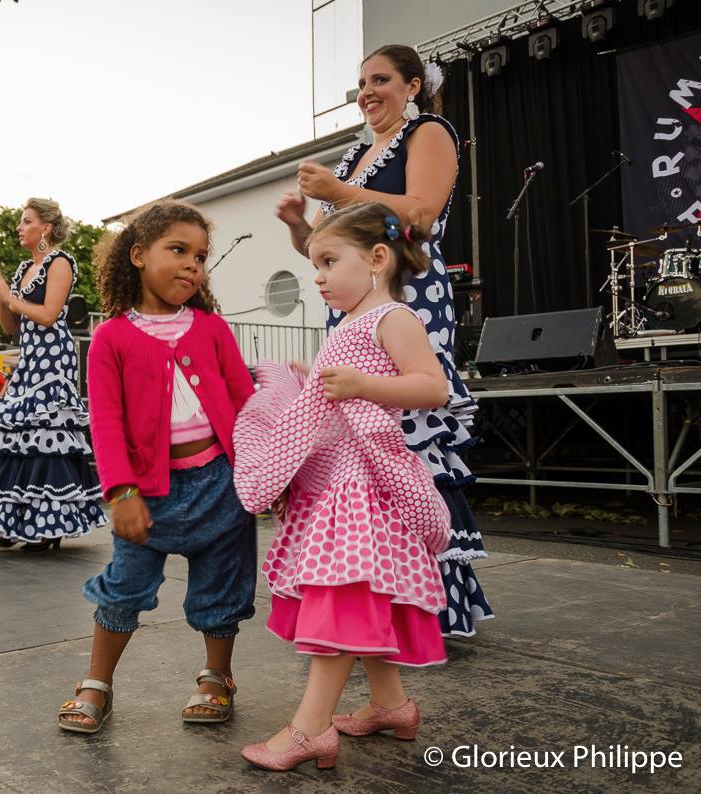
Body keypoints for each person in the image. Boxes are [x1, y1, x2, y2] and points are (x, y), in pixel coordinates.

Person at [276, 44, 492, 638]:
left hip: (406, 297)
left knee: (403, 434)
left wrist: (338, 193)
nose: (367, 91)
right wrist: (302, 224)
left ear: (413, 85)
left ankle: (427, 601)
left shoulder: (429, 132)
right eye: (361, 82)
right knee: (357, 444)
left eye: (381, 80)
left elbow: (420, 213)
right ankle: (373, 588)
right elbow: (332, 243)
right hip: (352, 306)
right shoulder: (356, 153)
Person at [235, 202, 451, 771]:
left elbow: (433, 388)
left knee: (342, 596)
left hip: (362, 489)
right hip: (338, 483)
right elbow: (341, 392)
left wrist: (362, 384)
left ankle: (310, 730)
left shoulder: (393, 319)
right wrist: (313, 379)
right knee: (360, 594)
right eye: (316, 265)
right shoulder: (351, 324)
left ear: (378, 258)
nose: (320, 276)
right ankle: (392, 704)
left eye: (329, 261)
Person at [57, 200, 257, 734]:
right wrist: (120, 492)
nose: (192, 264)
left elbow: (244, 405)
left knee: (222, 588)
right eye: (178, 250)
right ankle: (97, 682)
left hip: (222, 484)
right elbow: (105, 419)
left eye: (200, 255)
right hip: (147, 492)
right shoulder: (111, 338)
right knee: (125, 588)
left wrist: (263, 473)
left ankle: (217, 676)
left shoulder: (212, 329)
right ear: (139, 255)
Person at [0, 198, 105, 551]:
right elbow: (9, 325)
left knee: (48, 437)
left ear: (45, 228)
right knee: (20, 438)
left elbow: (47, 315)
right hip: (29, 359)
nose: (19, 227)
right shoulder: (22, 270)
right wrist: (2, 294)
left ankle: (48, 526)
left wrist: (7, 295)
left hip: (53, 360)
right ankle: (17, 522)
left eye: (26, 221)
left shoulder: (60, 262)